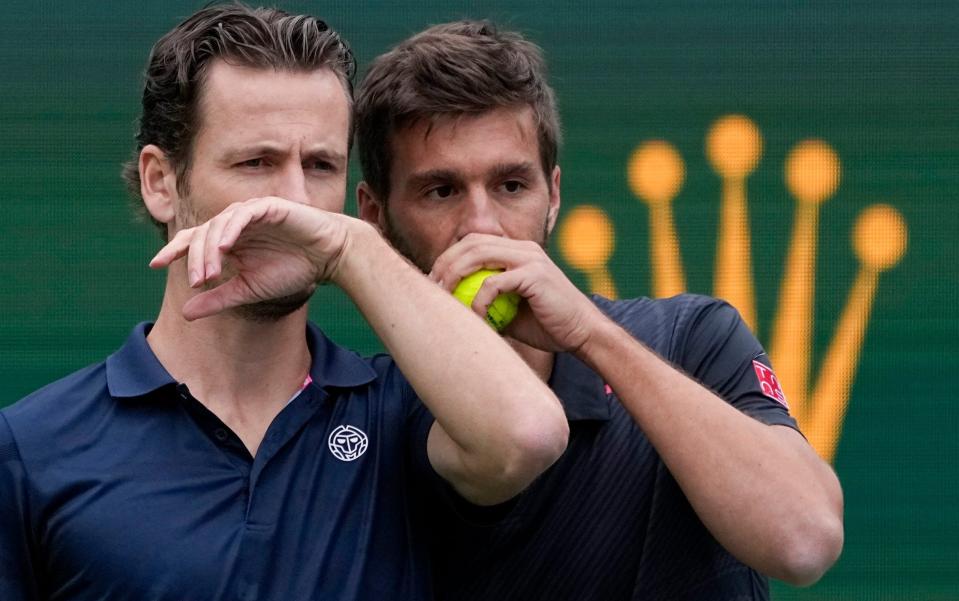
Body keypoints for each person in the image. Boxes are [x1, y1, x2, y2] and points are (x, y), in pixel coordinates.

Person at [0, 7, 569, 600]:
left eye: (321, 166)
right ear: (161, 181)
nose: (296, 202)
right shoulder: (32, 447)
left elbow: (528, 436)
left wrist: (351, 248)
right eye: (257, 163)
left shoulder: (405, 411)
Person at [354, 20, 845, 600]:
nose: (481, 226)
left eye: (512, 185)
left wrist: (591, 335)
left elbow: (804, 541)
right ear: (376, 217)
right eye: (442, 191)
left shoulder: (691, 338)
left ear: (553, 195)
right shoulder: (362, 416)